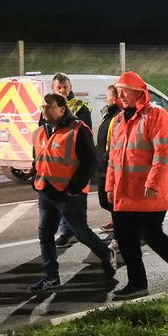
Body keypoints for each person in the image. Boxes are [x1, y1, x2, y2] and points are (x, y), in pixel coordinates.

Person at [106, 71, 168, 299]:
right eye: (118, 91)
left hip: (148, 192)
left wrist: (153, 181)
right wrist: (109, 185)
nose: (121, 95)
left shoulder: (156, 115)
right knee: (125, 239)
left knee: (151, 234)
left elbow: (164, 152)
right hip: (124, 192)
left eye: (125, 91)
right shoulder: (118, 120)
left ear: (138, 92)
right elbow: (114, 157)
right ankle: (137, 283)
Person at [30, 93, 115, 292]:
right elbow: (37, 160)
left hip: (70, 194)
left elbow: (89, 163)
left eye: (49, 107)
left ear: (62, 108)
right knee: (45, 234)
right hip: (46, 191)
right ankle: (52, 277)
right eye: (43, 107)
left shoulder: (78, 130)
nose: (44, 111)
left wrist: (74, 188)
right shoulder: (41, 131)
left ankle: (105, 253)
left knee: (81, 232)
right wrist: (35, 179)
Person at [48, 73, 93, 248]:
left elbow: (85, 135)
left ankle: (72, 232)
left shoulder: (80, 108)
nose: (62, 90)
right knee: (58, 203)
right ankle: (66, 231)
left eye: (65, 87)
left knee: (75, 203)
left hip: (73, 164)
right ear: (53, 88)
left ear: (70, 87)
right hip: (54, 165)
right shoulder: (47, 107)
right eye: (59, 87)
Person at [94, 84, 120, 233]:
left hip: (109, 165)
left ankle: (120, 231)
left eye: (108, 96)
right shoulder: (109, 114)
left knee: (110, 201)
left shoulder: (118, 115)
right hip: (102, 165)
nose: (106, 98)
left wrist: (107, 156)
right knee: (105, 202)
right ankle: (118, 220)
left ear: (115, 97)